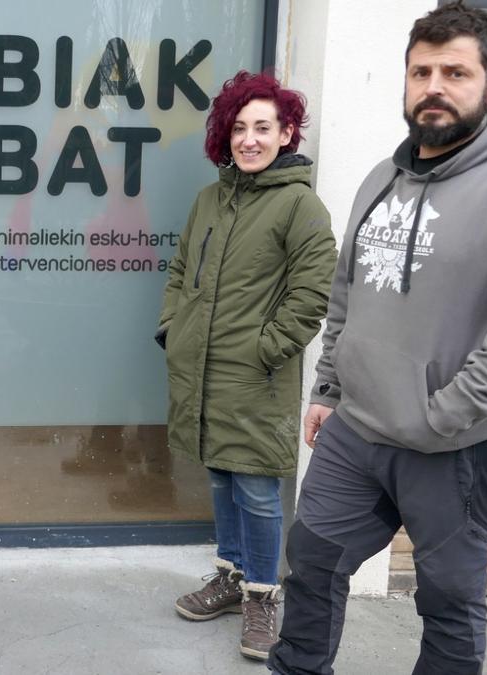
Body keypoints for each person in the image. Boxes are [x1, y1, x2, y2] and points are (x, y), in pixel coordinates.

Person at [268, 4, 487, 673]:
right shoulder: (380, 179)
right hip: (359, 429)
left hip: (459, 442)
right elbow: (347, 296)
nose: (434, 84)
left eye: (455, 71)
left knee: (448, 598)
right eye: (421, 70)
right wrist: (330, 387)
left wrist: (440, 415)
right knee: (311, 558)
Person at [158, 71, 336, 661]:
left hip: (255, 376)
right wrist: (173, 330)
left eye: (263, 127)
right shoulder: (209, 200)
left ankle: (263, 594)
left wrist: (265, 349)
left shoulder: (301, 205)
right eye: (239, 127)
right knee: (221, 479)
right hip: (202, 372)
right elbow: (180, 272)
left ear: (286, 134)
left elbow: (314, 295)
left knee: (259, 493)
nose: (249, 139)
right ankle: (231, 580)